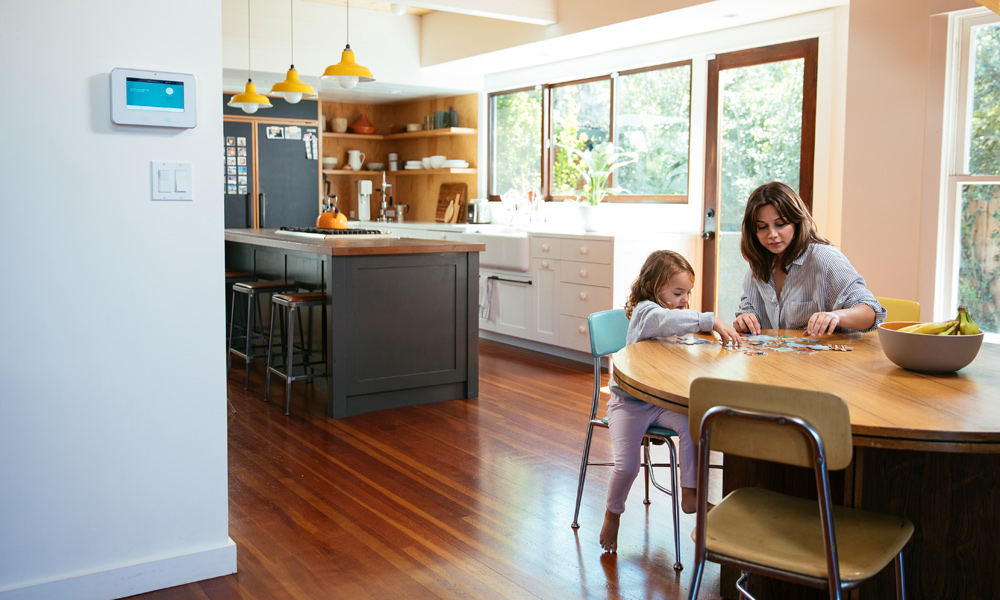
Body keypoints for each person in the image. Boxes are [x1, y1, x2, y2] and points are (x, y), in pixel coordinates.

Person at [599, 250, 741, 553]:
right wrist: (708, 320)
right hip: (628, 404)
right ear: (653, 286)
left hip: (660, 403)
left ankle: (690, 494)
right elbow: (665, 319)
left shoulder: (668, 317)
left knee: (695, 424)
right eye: (678, 292)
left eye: (687, 293)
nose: (684, 300)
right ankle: (613, 512)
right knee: (627, 468)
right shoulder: (646, 312)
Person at [733, 181, 886, 337]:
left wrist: (836, 316)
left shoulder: (825, 259)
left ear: (797, 222)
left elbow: (871, 312)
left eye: (780, 224)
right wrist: (745, 319)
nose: (772, 234)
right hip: (774, 359)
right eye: (762, 227)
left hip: (826, 359)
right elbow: (749, 308)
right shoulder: (758, 264)